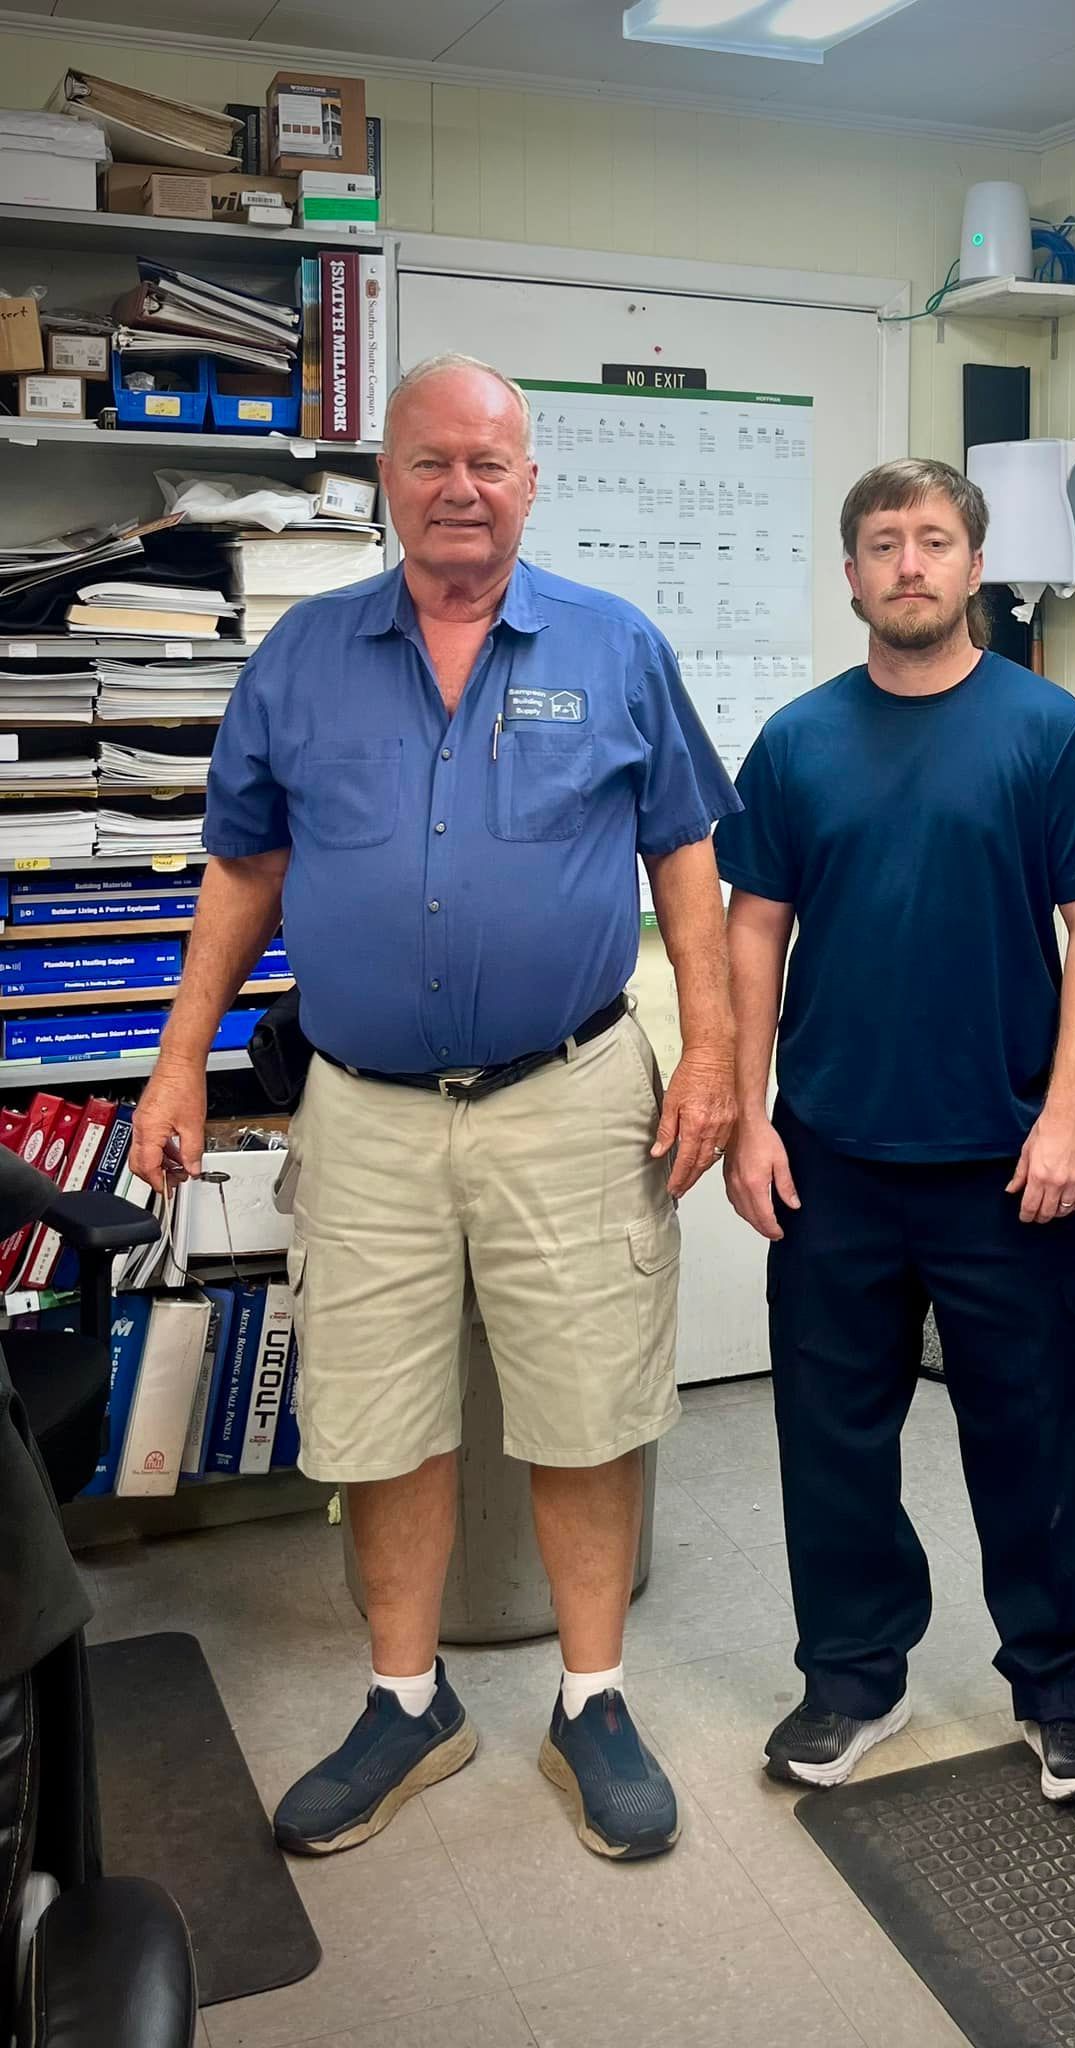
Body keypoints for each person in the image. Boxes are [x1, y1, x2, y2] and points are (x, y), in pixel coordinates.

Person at [131, 353, 740, 1864]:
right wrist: (170, 1058)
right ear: (384, 479)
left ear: (532, 480)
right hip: (366, 1110)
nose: (460, 487)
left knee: (587, 1405)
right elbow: (243, 869)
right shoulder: (302, 656)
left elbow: (686, 865)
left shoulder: (615, 647)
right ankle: (409, 1703)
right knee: (378, 1413)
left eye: (490, 461)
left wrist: (717, 1055)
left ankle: (591, 1701)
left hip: (572, 1092)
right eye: (428, 461)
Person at [716, 458, 1075, 1801]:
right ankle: (850, 1685)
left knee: (1037, 1443)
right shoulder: (793, 742)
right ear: (849, 574)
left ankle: (1060, 1690)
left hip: (1008, 1157)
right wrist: (743, 1113)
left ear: (971, 568)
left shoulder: (1046, 732)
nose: (909, 563)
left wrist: (1071, 1117)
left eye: (935, 541)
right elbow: (751, 928)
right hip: (831, 1159)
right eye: (883, 544)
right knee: (832, 1442)